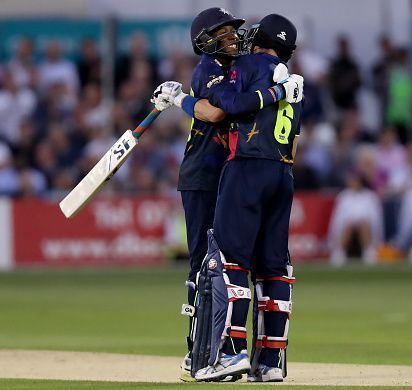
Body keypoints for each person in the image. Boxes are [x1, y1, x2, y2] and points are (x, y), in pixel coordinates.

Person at [154, 14, 303, 382]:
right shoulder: (209, 68)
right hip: (206, 174)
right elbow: (217, 110)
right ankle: (201, 351)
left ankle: (230, 354)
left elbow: (226, 107)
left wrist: (179, 100)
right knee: (212, 264)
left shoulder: (246, 68)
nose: (233, 38)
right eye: (222, 34)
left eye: (233, 32)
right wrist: (184, 98)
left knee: (232, 262)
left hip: (238, 172)